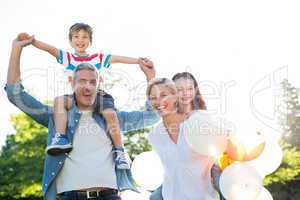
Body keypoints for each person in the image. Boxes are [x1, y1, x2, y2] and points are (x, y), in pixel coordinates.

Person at [5, 34, 160, 200]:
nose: (88, 87)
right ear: (72, 83)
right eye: (82, 81)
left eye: (93, 82)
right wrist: (17, 49)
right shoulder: (57, 117)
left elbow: (152, 116)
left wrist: (151, 77)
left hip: (109, 196)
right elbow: (16, 96)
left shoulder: (111, 117)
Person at [19, 23, 152, 170]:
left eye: (84, 37)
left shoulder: (98, 58)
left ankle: (119, 151)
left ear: (90, 41)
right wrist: (32, 41)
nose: (80, 40)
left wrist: (138, 61)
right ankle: (61, 137)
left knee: (110, 114)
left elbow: (118, 58)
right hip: (78, 97)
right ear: (70, 41)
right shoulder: (68, 58)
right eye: (76, 36)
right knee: (59, 102)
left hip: (99, 96)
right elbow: (51, 49)